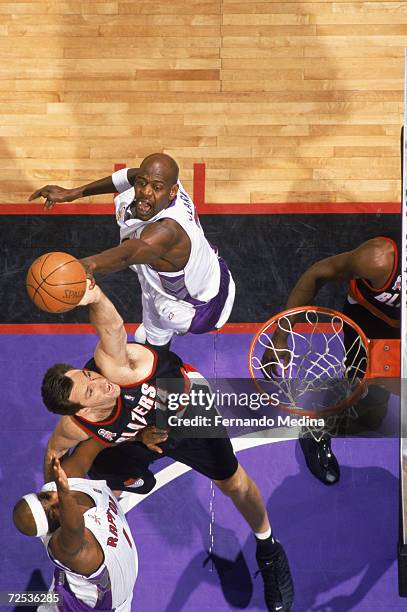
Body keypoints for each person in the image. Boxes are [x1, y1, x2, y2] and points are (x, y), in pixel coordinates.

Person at [41, 281, 294, 612]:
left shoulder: (114, 368)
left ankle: (269, 547)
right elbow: (54, 456)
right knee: (97, 466)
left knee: (232, 482)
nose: (99, 383)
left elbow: (113, 327)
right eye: (90, 392)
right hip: (143, 429)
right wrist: (55, 508)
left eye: (87, 377)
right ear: (81, 411)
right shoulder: (75, 426)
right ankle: (124, 481)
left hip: (183, 402)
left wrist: (96, 296)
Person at [29, 153, 235, 349]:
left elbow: (130, 253)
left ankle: (175, 361)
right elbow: (130, 175)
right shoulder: (166, 183)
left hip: (203, 307)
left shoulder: (168, 230)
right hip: (206, 267)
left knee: (163, 313)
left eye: (156, 187)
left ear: (172, 191)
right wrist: (73, 193)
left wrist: (87, 265)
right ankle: (159, 357)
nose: (146, 191)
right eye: (142, 183)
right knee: (151, 338)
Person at [262, 234, 401, 486]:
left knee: (374, 408)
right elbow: (317, 274)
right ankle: (316, 429)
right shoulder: (378, 259)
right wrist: (280, 336)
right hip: (371, 324)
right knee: (366, 397)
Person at [13, 449, 138, 611]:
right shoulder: (64, 547)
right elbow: (75, 529)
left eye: (44, 496)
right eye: (54, 506)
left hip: (105, 594)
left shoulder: (60, 486)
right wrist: (64, 493)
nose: (53, 495)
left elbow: (63, 447)